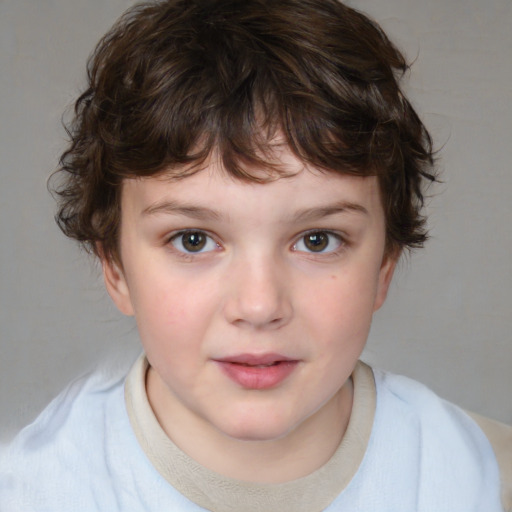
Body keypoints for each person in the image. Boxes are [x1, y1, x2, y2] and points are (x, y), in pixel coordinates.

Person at [1, 0, 510, 510]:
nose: (260, 304)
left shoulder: (482, 479)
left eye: (317, 240)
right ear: (115, 268)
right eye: (193, 240)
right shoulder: (34, 491)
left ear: (384, 265)